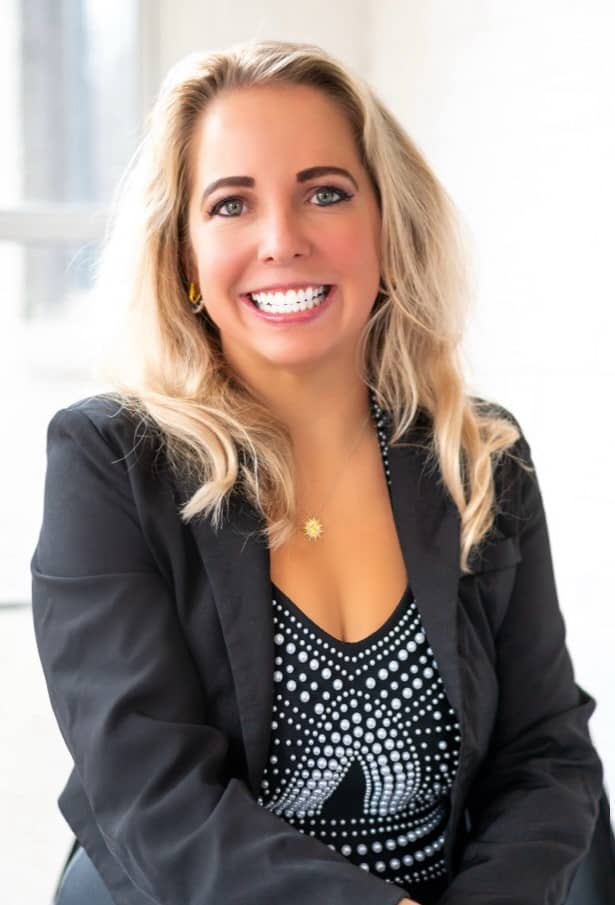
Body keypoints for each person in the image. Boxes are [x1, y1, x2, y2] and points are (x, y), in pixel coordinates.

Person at [31, 39, 603, 905]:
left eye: (324, 193)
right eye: (230, 205)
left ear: (384, 224)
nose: (281, 239)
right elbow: (155, 799)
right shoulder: (109, 463)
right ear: (184, 257)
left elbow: (546, 754)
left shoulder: (479, 454)